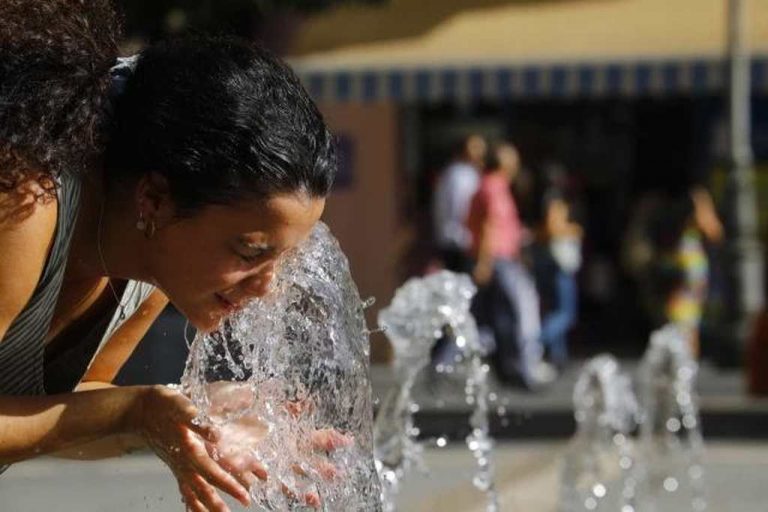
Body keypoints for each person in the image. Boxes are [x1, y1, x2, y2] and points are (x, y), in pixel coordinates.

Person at [0, 2, 340, 511]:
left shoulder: (151, 268)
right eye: (250, 250)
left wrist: (188, 422)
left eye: (283, 258)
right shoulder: (25, 203)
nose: (266, 284)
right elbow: (102, 412)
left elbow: (59, 410)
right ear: (155, 199)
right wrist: (134, 412)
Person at [466, 143, 555, 389]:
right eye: (513, 161)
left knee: (500, 317)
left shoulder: (496, 186)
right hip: (500, 260)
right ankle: (525, 368)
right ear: (504, 163)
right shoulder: (493, 186)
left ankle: (510, 369)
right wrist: (484, 262)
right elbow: (489, 226)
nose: (516, 166)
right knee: (522, 312)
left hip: (504, 259)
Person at [536, 192, 583, 369]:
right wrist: (572, 229)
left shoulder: (556, 204)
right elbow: (551, 229)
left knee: (556, 311)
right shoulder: (555, 204)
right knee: (566, 315)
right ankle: (537, 340)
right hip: (560, 269)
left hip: (560, 268)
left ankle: (558, 356)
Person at [432, 134, 487, 273]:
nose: (481, 152)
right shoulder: (460, 175)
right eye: (475, 148)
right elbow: (462, 210)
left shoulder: (461, 173)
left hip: (458, 241)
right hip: (459, 242)